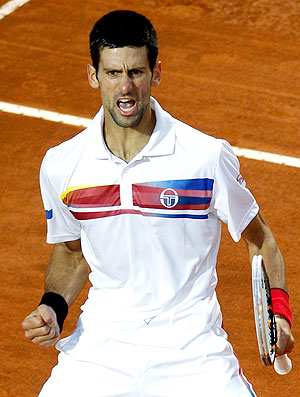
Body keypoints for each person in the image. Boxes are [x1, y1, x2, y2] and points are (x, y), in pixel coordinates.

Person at [22, 10, 294, 397]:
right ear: (93, 75)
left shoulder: (204, 156)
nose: (125, 88)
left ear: (157, 73)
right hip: (101, 349)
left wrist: (279, 313)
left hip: (192, 351)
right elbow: (71, 253)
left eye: (136, 71)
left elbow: (260, 239)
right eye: (113, 73)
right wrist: (53, 307)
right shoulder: (62, 164)